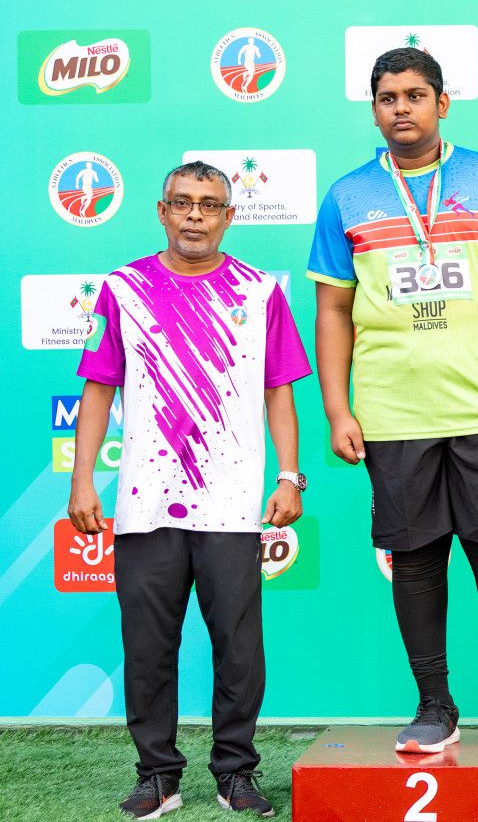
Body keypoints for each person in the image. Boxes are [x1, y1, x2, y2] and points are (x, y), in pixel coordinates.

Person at [308, 46, 478, 755]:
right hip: (394, 412)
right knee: (415, 560)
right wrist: (339, 408)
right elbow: (332, 310)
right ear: (374, 108)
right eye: (388, 98)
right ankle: (434, 705)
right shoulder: (348, 196)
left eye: (416, 96)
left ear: (441, 103)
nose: (402, 109)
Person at [68, 161, 312, 819]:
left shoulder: (260, 292)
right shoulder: (123, 289)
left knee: (240, 649)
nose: (196, 215)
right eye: (183, 203)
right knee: (148, 650)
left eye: (209, 204)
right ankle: (158, 777)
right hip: (145, 504)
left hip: (231, 505)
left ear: (229, 216)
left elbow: (279, 393)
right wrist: (82, 478)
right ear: (162, 211)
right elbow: (98, 389)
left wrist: (289, 476)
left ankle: (236, 773)